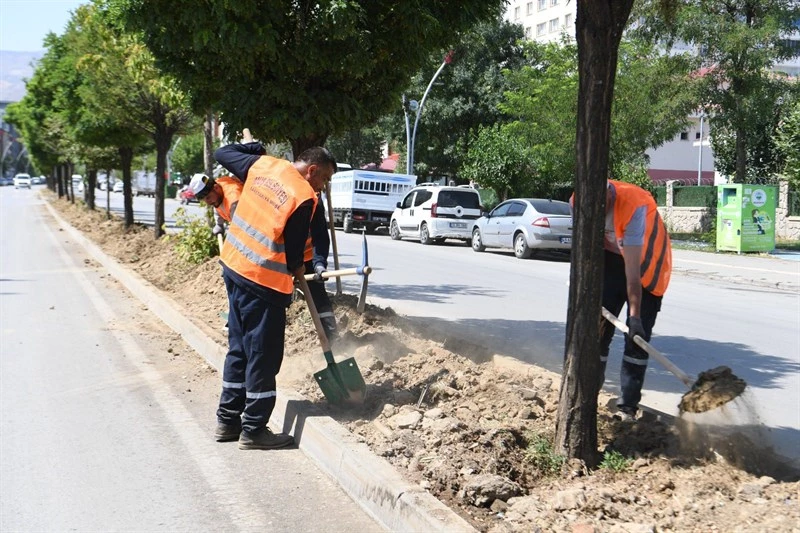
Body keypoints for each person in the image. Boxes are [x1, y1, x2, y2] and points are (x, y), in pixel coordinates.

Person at [213, 141, 336, 450]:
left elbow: (222, 154)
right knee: (264, 357)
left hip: (233, 266)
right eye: (324, 179)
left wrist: (254, 148)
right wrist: (297, 272)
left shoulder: (264, 165)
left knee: (239, 349)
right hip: (262, 282)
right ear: (311, 171)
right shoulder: (303, 196)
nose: (323, 186)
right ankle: (253, 429)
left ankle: (227, 421)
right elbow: (295, 254)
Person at [598, 180, 672, 422]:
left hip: (648, 268)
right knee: (597, 330)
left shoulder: (633, 207)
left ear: (611, 196)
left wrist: (635, 316)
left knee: (636, 341)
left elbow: (633, 272)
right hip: (610, 262)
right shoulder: (578, 201)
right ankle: (588, 391)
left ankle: (627, 408)